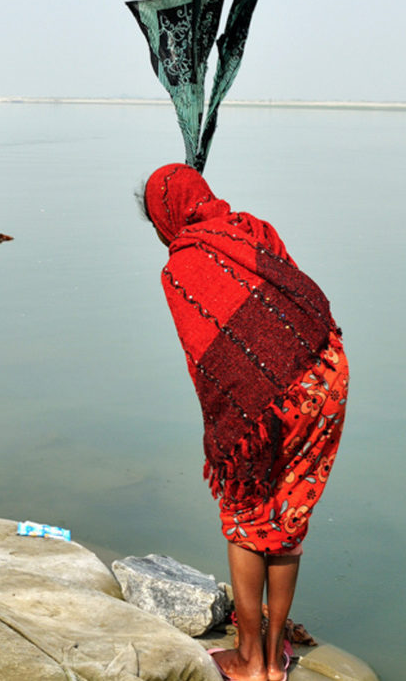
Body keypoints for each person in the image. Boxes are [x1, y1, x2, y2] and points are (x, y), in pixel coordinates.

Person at [141, 163, 347, 681]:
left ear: (165, 216)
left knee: (245, 511)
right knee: (289, 510)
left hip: (265, 401)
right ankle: (277, 658)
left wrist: (228, 424)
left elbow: (212, 360)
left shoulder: (182, 265)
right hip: (324, 368)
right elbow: (292, 295)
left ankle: (250, 658)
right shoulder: (253, 229)